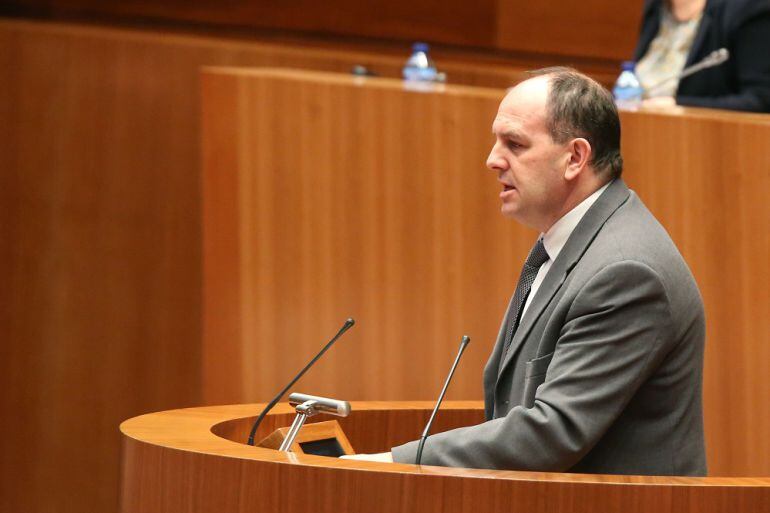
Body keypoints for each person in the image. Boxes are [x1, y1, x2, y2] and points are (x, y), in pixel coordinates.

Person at [347, 68, 707, 475]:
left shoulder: (626, 272)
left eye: (514, 144)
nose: (492, 160)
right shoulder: (570, 242)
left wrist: (393, 463)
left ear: (575, 157)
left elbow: (553, 431)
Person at [634, 0, 770, 112]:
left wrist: (679, 105)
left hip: (709, 137)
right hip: (641, 128)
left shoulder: (749, 7)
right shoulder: (656, 6)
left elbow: (761, 100)